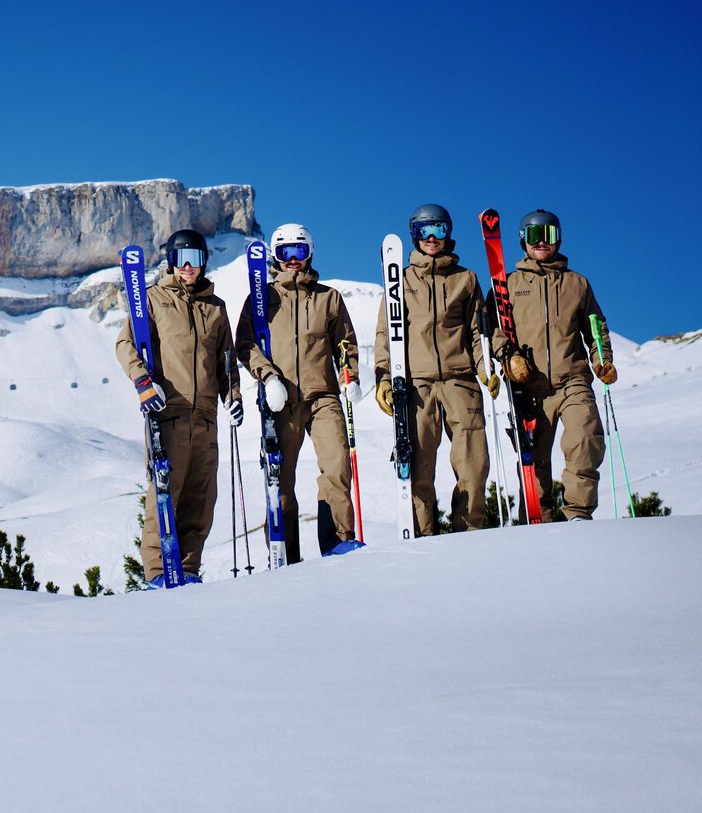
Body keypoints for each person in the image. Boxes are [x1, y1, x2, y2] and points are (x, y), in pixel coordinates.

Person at [115, 228, 241, 585]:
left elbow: (227, 360)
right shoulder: (152, 299)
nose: (188, 267)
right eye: (181, 259)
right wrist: (143, 383)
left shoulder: (216, 308)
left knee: (201, 497)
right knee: (165, 492)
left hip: (206, 418)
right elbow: (126, 344)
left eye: (195, 259)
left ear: (204, 262)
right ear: (171, 262)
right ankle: (158, 572)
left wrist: (233, 396)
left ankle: (188, 569)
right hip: (168, 414)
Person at [234, 223, 360, 559]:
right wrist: (269, 378)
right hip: (281, 400)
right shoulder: (262, 298)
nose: (293, 259)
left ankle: (337, 541)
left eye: (299, 251)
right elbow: (245, 344)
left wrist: (349, 377)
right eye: (285, 252)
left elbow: (345, 343)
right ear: (275, 256)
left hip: (323, 397)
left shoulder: (328, 298)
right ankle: (285, 552)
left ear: (310, 253)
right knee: (280, 476)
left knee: (337, 467)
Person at [373, 205, 495, 534]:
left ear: (448, 233)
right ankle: (423, 539)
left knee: (474, 467)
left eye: (439, 230)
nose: (431, 238)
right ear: (414, 235)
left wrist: (485, 368)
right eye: (424, 231)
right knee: (418, 469)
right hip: (417, 387)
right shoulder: (399, 280)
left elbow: (477, 332)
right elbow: (386, 334)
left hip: (461, 382)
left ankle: (469, 534)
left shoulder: (465, 279)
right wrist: (384, 378)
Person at [489, 209, 614, 521]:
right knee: (535, 461)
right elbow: (490, 330)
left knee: (585, 440)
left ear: (559, 239)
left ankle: (578, 514)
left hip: (573, 381)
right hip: (530, 387)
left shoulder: (577, 284)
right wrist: (508, 356)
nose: (542, 242)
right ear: (524, 240)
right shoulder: (508, 284)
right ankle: (539, 521)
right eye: (535, 235)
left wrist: (602, 361)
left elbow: (596, 328)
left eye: (549, 235)